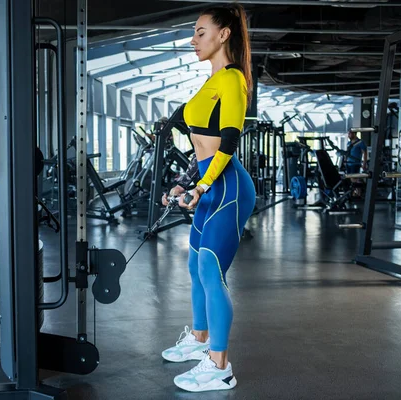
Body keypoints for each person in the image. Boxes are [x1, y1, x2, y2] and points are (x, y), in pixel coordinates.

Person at [159, 3, 256, 392]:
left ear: (224, 35)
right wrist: (186, 182)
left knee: (212, 272)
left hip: (228, 189)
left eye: (201, 32)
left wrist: (202, 187)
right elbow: (201, 147)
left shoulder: (232, 80)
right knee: (195, 266)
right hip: (208, 186)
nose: (193, 39)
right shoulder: (211, 82)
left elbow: (229, 141)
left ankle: (220, 365)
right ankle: (200, 342)